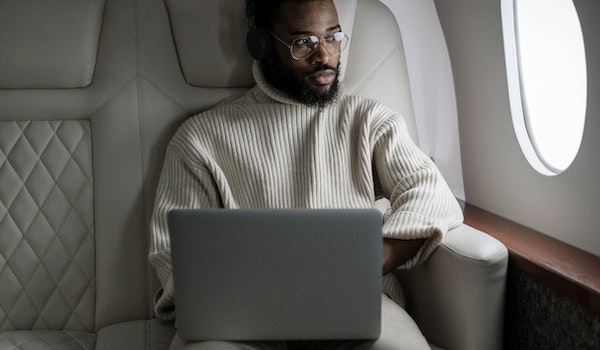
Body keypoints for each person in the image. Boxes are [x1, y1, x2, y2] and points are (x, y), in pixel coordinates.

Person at [148, 0, 463, 348]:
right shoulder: (200, 138)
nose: (324, 56)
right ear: (262, 46)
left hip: (352, 303)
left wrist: (373, 259)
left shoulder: (371, 121)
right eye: (303, 43)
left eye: (332, 37)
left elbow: (432, 193)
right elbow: (171, 255)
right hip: (239, 318)